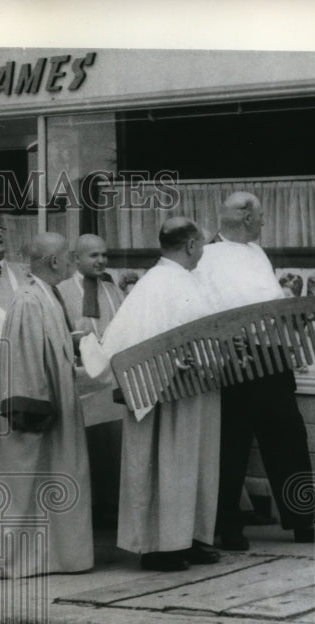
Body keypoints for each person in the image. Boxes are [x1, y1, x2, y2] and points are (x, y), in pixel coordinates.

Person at [195, 191, 315, 548]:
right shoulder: (204, 257)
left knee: (290, 438)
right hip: (234, 360)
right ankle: (228, 527)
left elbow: (271, 302)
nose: (264, 222)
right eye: (260, 216)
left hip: (272, 357)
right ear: (245, 217)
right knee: (231, 446)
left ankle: (305, 522)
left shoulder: (258, 252)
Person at [0, 232, 94, 579]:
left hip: (54, 402)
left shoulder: (45, 295)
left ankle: (49, 557)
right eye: (68, 255)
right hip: (36, 411)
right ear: (54, 261)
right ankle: (14, 560)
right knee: (24, 484)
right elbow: (23, 359)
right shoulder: (28, 301)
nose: (71, 261)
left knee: (46, 484)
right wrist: (33, 412)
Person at [98, 218, 221, 571]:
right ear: (192, 245)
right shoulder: (158, 283)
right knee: (168, 467)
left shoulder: (178, 280)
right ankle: (158, 547)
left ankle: (187, 539)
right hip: (166, 389)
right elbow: (129, 341)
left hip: (193, 386)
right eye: (202, 245)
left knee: (192, 466)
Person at [56, 233, 125, 526]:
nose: (101, 261)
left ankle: (110, 502)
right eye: (93, 256)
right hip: (78, 378)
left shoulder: (113, 290)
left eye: (104, 255)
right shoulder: (60, 290)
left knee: (113, 441)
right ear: (76, 258)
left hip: (109, 378)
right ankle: (86, 505)